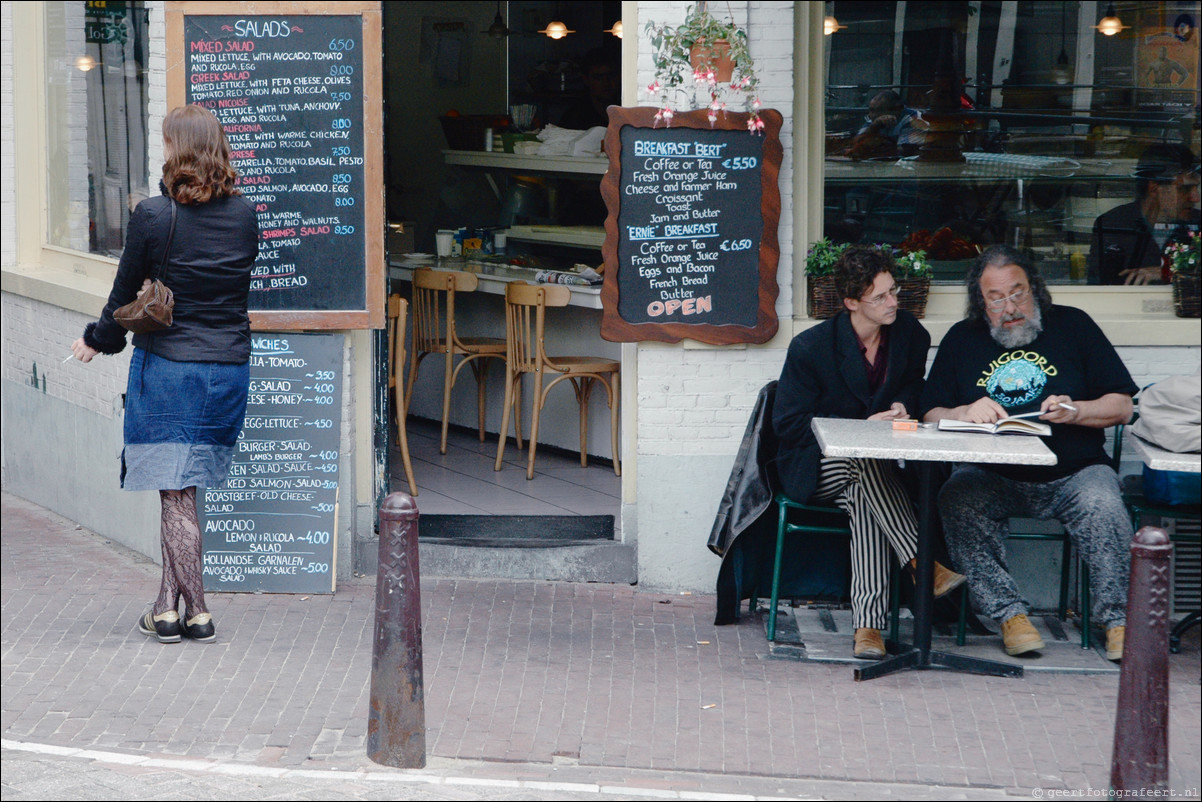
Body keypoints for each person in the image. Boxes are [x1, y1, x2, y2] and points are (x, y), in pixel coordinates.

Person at [71, 105, 259, 645]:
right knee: (185, 490)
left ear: (177, 149)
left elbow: (125, 293)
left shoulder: (154, 215)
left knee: (175, 494)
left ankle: (197, 610)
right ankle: (165, 609)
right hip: (228, 370)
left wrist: (96, 339)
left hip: (171, 370)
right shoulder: (245, 215)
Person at [921, 245, 1137, 661]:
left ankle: (1119, 621)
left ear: (1034, 289)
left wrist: (1078, 411)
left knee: (1104, 503)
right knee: (956, 497)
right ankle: (1009, 616)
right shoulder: (962, 340)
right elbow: (930, 411)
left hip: (1075, 472)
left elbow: (1123, 406)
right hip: (994, 474)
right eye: (996, 298)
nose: (1010, 307)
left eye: (1017, 293)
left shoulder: (1073, 326)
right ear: (980, 303)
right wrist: (965, 412)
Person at [773, 246, 965, 660]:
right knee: (863, 462)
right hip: (813, 465)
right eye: (880, 297)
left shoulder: (910, 334)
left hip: (873, 472)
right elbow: (787, 424)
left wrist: (902, 406)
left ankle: (868, 629)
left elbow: (913, 385)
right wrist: (859, 430)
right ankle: (921, 561)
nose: (894, 302)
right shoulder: (811, 348)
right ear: (851, 303)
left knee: (865, 496)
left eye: (893, 291)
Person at [1088, 143, 1200, 285]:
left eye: (1197, 188)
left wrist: (1166, 271)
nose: (1195, 198)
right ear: (1154, 189)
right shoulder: (1114, 224)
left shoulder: (1198, 222)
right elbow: (1099, 287)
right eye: (1185, 189)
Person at [847, 90, 925, 160]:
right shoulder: (874, 120)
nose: (871, 115)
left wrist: (871, 147)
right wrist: (873, 127)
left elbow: (905, 152)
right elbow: (855, 145)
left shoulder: (913, 119)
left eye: (879, 110)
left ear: (897, 110)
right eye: (871, 110)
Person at [558, 47, 619, 131]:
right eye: (598, 77)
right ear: (586, 79)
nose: (606, 83)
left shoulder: (629, 109)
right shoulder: (575, 117)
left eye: (610, 75)